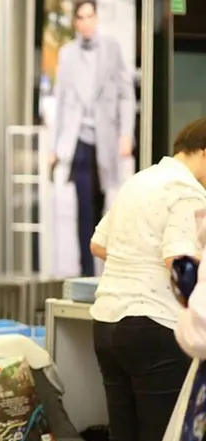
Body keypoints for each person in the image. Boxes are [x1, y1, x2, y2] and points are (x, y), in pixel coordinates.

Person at [89, 117, 206, 441]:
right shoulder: (188, 192)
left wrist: (136, 263)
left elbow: (98, 243)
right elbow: (179, 262)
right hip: (153, 326)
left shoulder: (140, 180)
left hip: (106, 321)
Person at [51, 0, 136, 276]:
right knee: (83, 205)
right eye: (81, 17)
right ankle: (85, 270)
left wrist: (126, 134)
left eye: (90, 16)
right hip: (79, 140)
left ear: (96, 18)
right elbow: (61, 101)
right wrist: (55, 146)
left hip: (106, 138)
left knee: (101, 204)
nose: (86, 22)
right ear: (75, 22)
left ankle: (102, 268)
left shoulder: (111, 49)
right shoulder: (67, 54)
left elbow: (126, 93)